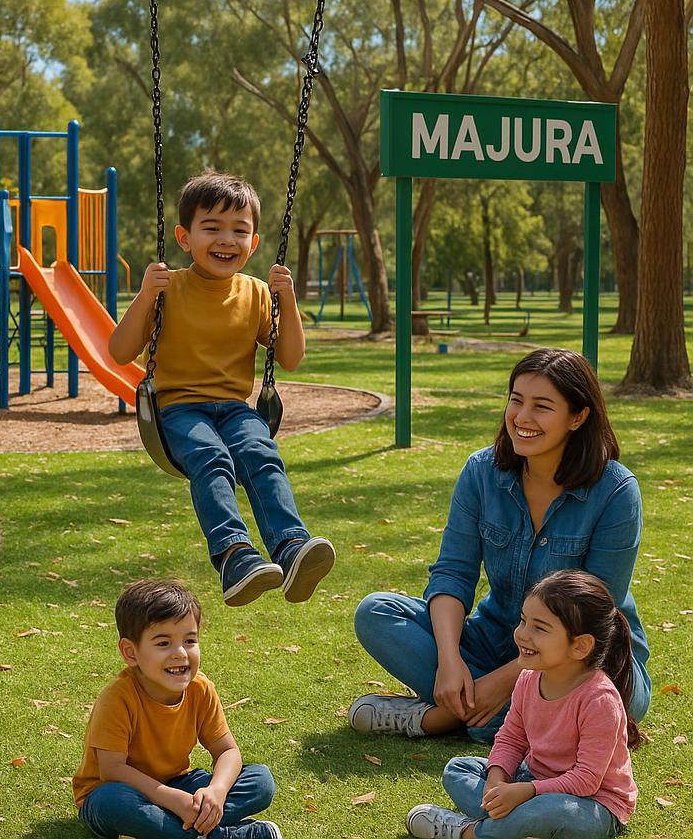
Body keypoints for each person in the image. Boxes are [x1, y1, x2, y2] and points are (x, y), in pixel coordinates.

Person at [348, 348, 650, 745]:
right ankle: (498, 719)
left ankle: (440, 719)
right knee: (377, 612)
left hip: (579, 657)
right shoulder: (481, 472)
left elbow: (593, 615)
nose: (522, 418)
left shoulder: (615, 491)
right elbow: (453, 573)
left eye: (542, 406)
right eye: (516, 400)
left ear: (577, 417)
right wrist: (449, 660)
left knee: (610, 698)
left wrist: (506, 682)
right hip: (493, 640)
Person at [109, 171, 334, 607]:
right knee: (212, 458)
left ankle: (291, 548)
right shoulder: (167, 287)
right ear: (184, 237)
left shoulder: (256, 293)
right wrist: (143, 295)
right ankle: (235, 555)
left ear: (253, 242)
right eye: (211, 228)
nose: (226, 239)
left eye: (239, 230)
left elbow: (289, 357)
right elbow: (120, 351)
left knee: (260, 453)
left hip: (235, 409)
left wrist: (286, 302)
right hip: (178, 410)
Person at [405, 570, 641, 839]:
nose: (521, 634)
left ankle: (470, 832)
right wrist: (497, 780)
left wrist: (527, 792)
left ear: (580, 646)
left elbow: (586, 780)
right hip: (531, 780)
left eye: (539, 628)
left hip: (591, 803)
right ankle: (515, 825)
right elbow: (511, 738)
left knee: (554, 811)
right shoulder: (529, 678)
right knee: (459, 769)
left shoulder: (599, 700)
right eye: (523, 621)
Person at [73, 579, 282, 839]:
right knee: (111, 801)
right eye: (163, 643)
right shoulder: (117, 698)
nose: (180, 653)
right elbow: (112, 770)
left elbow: (227, 750)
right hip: (119, 792)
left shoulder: (200, 688)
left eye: (190, 640)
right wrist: (173, 801)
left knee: (260, 781)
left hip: (179, 783)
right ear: (131, 652)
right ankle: (227, 835)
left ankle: (178, 828)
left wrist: (216, 790)